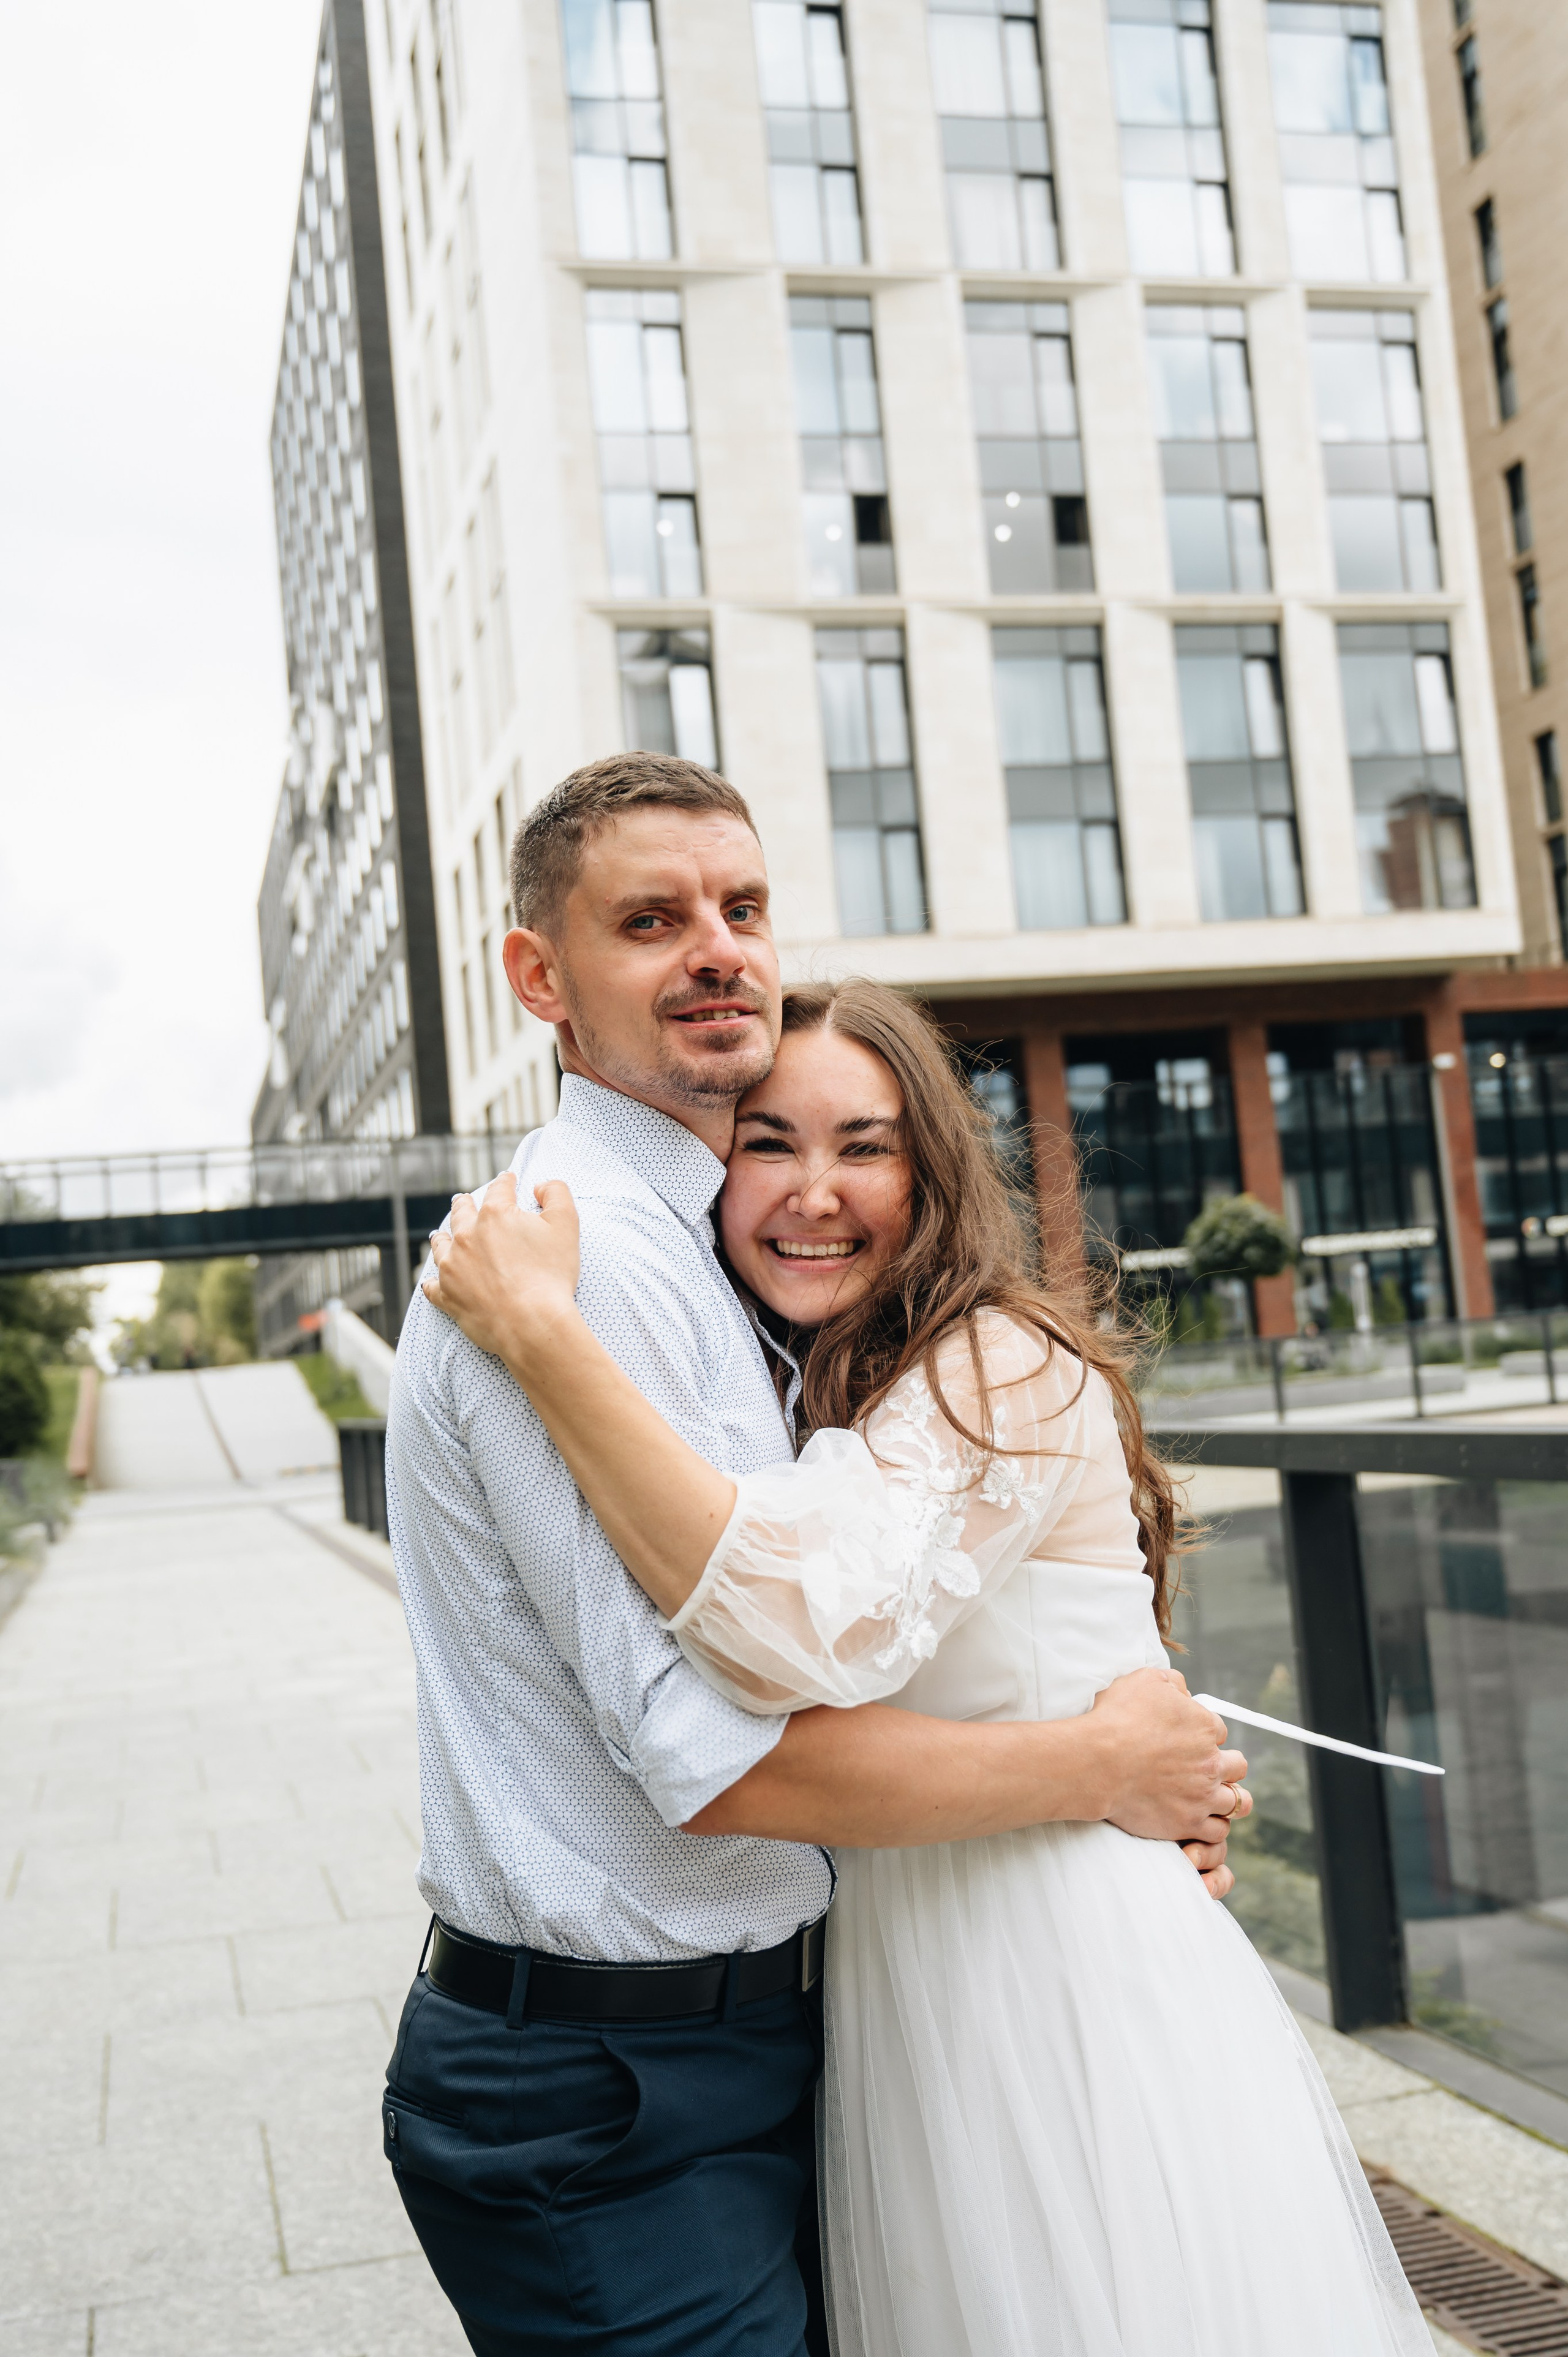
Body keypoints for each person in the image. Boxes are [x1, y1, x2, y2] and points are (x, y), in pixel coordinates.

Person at [423, 973, 1433, 2357]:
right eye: (769, 1143)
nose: (812, 1190)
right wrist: (1110, 1760)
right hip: (906, 1991)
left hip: (1049, 1984)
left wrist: (546, 1335)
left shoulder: (993, 1363)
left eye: (866, 1144)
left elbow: (791, 1625)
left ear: (935, 1171)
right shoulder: (809, 1384)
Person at [383, 752, 1248, 2357]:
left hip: (770, 2041)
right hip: (619, 2098)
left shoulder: (724, 1260)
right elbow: (720, 1763)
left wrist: (1143, 1763)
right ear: (538, 977)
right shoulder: (582, 1261)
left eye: (744, 906)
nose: (717, 947)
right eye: (651, 918)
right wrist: (1104, 1768)